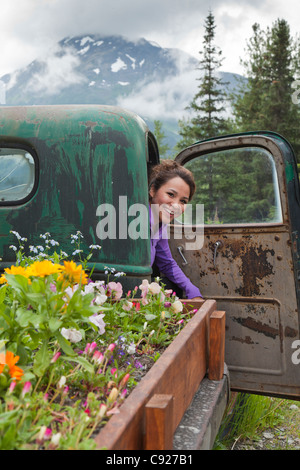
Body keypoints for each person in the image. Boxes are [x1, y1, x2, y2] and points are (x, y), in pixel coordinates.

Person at [148, 160, 202, 300]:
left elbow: (167, 263)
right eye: (171, 195)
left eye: (183, 201)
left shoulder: (160, 224)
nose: (176, 206)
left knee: (174, 286)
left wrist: (193, 292)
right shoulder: (137, 219)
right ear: (153, 190)